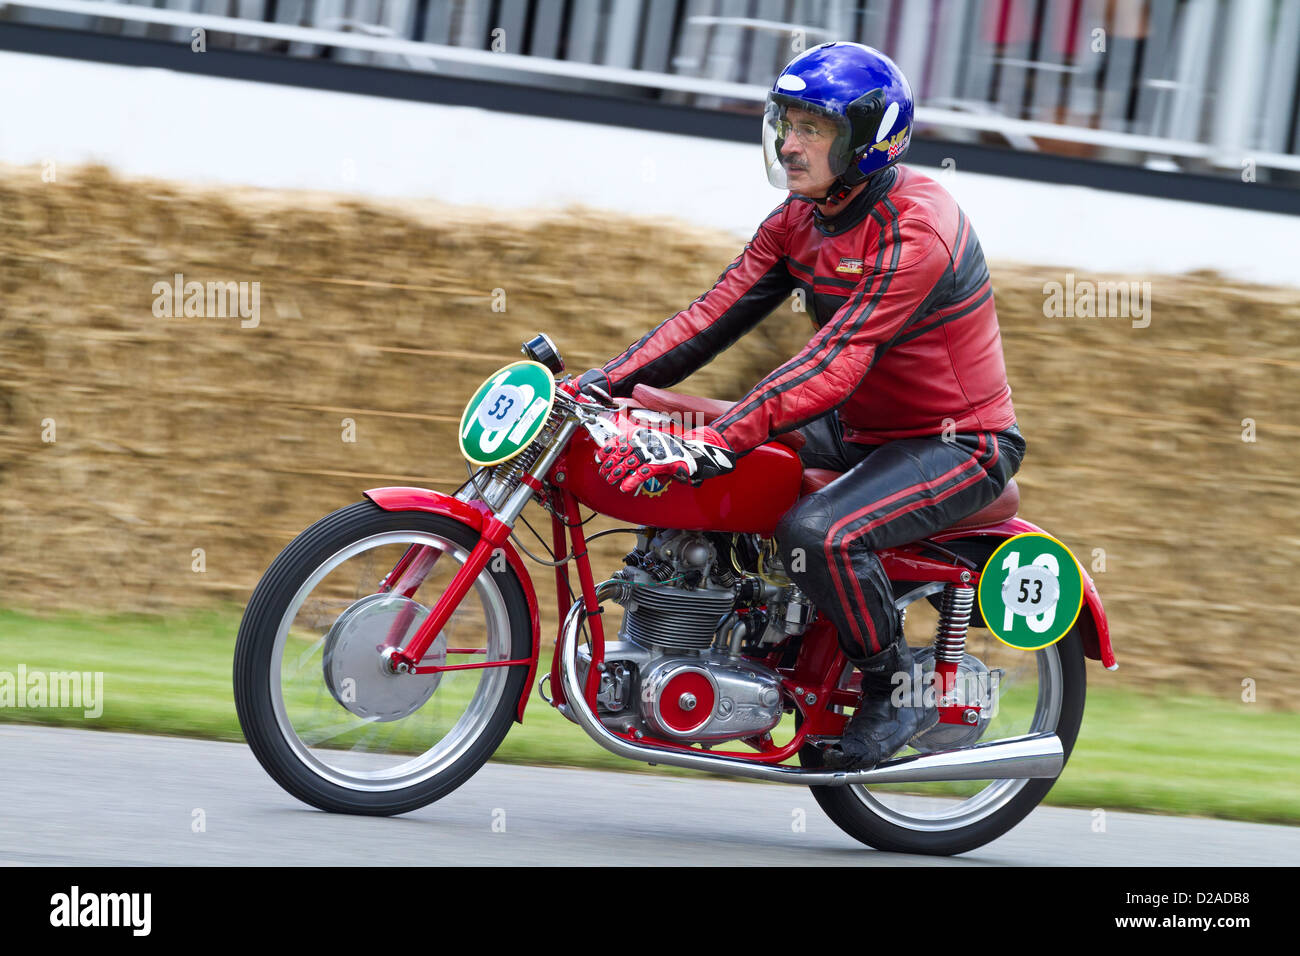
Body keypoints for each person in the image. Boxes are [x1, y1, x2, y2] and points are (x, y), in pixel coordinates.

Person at [577, 41, 1026, 769]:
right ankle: (739, 636)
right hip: (858, 430)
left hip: (957, 443)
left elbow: (836, 358)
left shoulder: (918, 227)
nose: (789, 143)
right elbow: (708, 317)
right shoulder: (798, 218)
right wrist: (600, 384)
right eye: (786, 121)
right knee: (680, 429)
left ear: (867, 141)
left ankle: (891, 684)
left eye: (813, 127)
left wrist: (724, 435)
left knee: (820, 531)